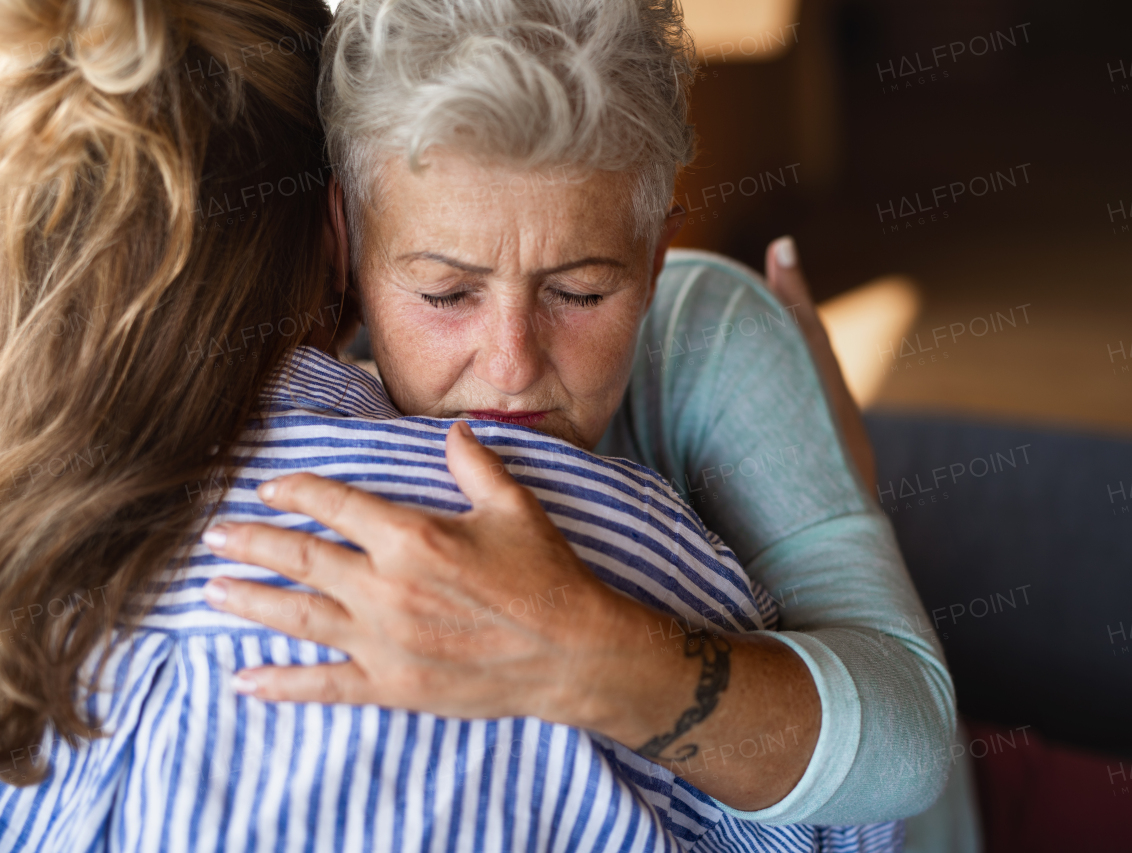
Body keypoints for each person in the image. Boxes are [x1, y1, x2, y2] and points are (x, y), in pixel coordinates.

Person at [0, 0, 909, 850]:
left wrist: (603, 657)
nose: (509, 365)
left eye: (581, 291)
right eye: (444, 292)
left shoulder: (710, 334)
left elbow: (901, 765)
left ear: (657, 250)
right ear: (345, 243)